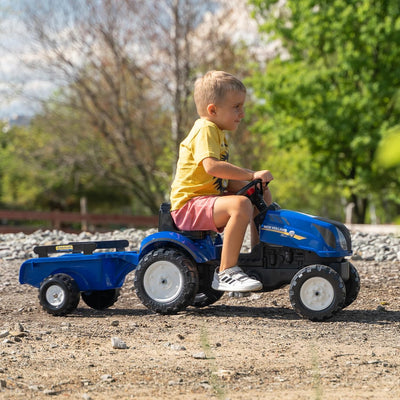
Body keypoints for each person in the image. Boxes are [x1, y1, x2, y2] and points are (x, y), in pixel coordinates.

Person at [170, 70, 273, 292]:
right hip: (189, 205)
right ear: (213, 110)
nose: (242, 113)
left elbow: (219, 179)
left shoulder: (218, 132)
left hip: (207, 200)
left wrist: (253, 184)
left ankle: (260, 254)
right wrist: (250, 174)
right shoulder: (205, 128)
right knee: (241, 204)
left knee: (260, 192)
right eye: (236, 107)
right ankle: (226, 271)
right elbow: (212, 167)